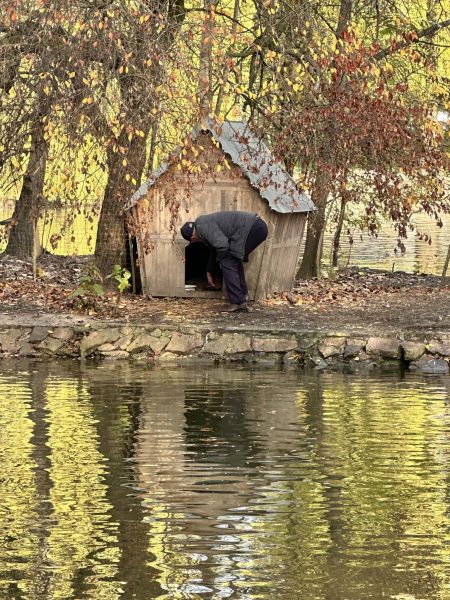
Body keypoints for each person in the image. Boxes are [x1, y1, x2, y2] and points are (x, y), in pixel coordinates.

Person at [181, 211, 268, 312]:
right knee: (234, 259)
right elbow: (214, 249)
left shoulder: (202, 227)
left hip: (253, 229)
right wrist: (209, 271)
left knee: (228, 262)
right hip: (256, 227)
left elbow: (222, 245)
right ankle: (242, 298)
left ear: (192, 238)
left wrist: (220, 261)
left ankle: (237, 302)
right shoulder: (202, 225)